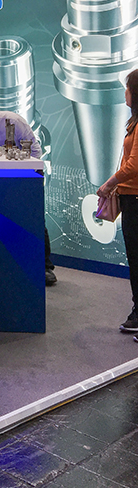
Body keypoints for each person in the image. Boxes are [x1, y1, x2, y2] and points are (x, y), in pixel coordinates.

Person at [0, 110, 57, 286]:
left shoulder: (13, 121)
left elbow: (35, 151)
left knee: (35, 220)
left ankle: (45, 267)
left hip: (26, 177)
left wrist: (27, 181)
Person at [98, 69, 138, 334]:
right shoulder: (134, 122)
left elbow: (133, 165)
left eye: (128, 88)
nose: (125, 93)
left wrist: (109, 183)